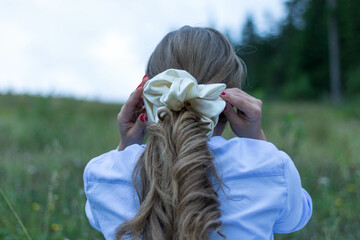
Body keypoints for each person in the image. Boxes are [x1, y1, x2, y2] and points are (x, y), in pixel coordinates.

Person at [83, 26, 312, 240]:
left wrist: (126, 146)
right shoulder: (271, 166)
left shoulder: (101, 175)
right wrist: (257, 142)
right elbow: (295, 218)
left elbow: (97, 215)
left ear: (148, 99)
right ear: (229, 100)